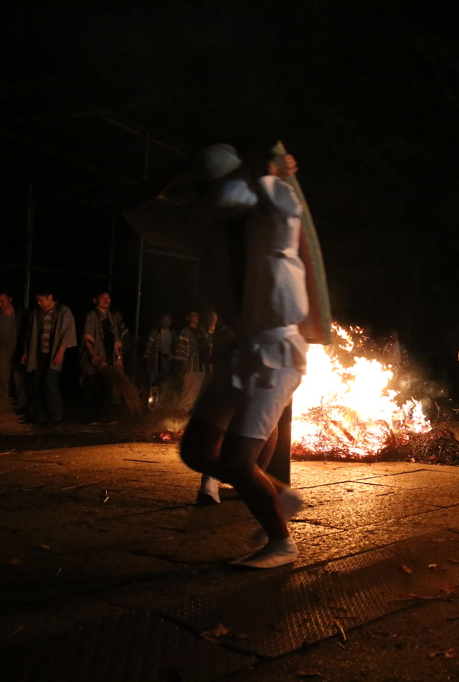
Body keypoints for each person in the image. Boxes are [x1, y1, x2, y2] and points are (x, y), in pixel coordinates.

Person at [125, 141, 332, 569]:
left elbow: (279, 188)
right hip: (238, 347)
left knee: (238, 462)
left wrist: (276, 168)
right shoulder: (205, 224)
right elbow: (136, 203)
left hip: (276, 351)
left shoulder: (273, 211)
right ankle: (281, 495)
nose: (211, 196)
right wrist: (181, 165)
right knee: (197, 453)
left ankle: (281, 544)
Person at [21, 288, 77, 426]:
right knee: (37, 382)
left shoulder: (63, 311)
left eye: (41, 300)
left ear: (50, 297)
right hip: (39, 353)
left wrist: (60, 352)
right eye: (37, 301)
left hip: (53, 353)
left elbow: (67, 333)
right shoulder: (37, 313)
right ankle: (40, 415)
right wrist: (26, 352)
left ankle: (57, 416)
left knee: (50, 382)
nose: (39, 303)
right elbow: (30, 335)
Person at [80, 290, 123, 424]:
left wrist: (119, 358)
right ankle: (90, 418)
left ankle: (103, 417)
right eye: (103, 297)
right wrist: (93, 355)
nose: (106, 300)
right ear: (95, 300)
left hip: (107, 359)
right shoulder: (91, 316)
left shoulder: (111, 318)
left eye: (108, 297)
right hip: (94, 358)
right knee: (92, 388)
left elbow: (116, 340)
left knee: (105, 388)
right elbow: (87, 338)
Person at [0, 291, 28, 409]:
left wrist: (25, 350)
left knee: (19, 380)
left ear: (10, 299)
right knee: (1, 378)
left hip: (17, 350)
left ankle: (22, 404)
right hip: (1, 350)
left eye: (2, 301)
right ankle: (1, 404)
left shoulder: (20, 313)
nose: (0, 304)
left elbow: (25, 333)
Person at [173, 311, 209, 413]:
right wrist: (184, 362)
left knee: (197, 386)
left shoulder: (201, 330)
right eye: (194, 315)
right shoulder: (185, 332)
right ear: (188, 318)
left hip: (201, 362)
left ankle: (189, 406)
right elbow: (181, 348)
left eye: (197, 315)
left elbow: (208, 341)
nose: (196, 317)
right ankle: (182, 408)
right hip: (191, 362)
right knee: (189, 385)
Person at [144, 313, 174, 388]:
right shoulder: (155, 332)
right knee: (152, 380)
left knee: (164, 381)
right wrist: (146, 359)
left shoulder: (172, 333)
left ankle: (161, 397)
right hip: (155, 360)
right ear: (161, 321)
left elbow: (175, 346)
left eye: (168, 319)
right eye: (165, 320)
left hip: (167, 359)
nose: (166, 322)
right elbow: (149, 346)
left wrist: (172, 355)